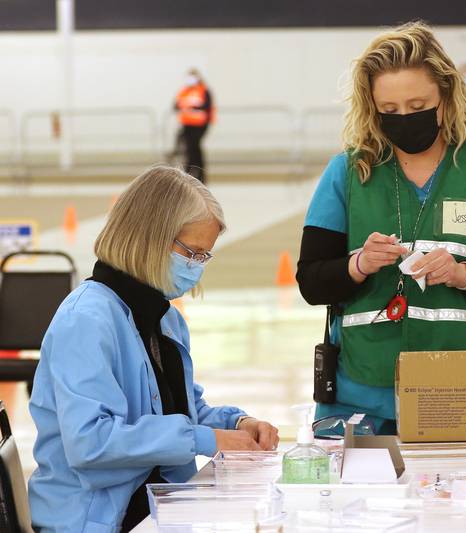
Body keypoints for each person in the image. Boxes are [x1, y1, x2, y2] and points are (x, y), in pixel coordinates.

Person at [297, 22, 466, 435]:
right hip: (363, 395)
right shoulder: (346, 172)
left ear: (445, 99)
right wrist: (358, 264)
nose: (404, 119)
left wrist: (465, 274)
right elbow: (310, 281)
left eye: (417, 106)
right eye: (389, 111)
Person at [27, 166, 279, 532]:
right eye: (191, 253)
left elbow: (182, 409)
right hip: (94, 519)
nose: (196, 268)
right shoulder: (86, 320)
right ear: (149, 238)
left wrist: (238, 424)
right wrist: (204, 439)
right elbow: (91, 441)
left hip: (158, 506)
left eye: (204, 257)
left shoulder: (162, 317)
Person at [174, 69, 214, 183]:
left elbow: (207, 107)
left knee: (195, 150)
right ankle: (188, 176)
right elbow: (176, 104)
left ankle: (200, 176)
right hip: (187, 125)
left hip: (200, 125)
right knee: (189, 150)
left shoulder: (203, 90)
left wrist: (193, 108)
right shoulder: (184, 91)